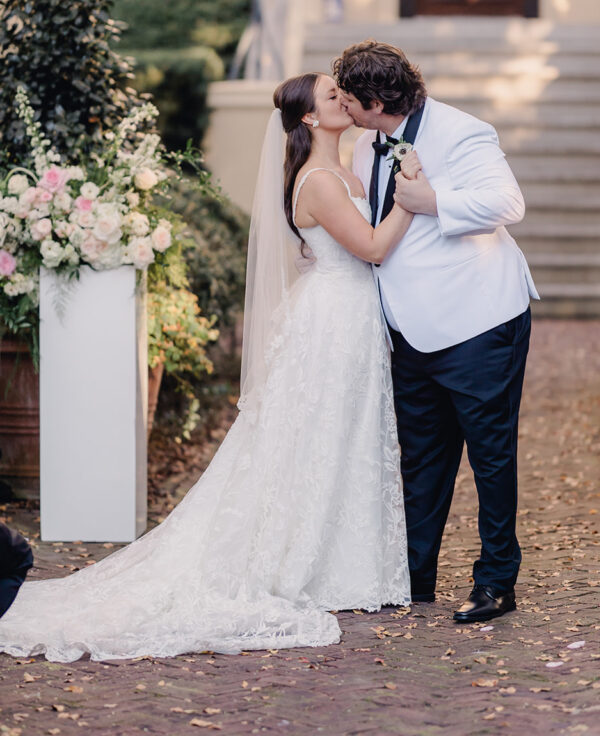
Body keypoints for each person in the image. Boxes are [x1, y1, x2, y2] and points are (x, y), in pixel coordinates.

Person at [0, 72, 418, 662]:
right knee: (318, 435)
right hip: (332, 320)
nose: (343, 100)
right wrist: (410, 199)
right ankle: (305, 564)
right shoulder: (320, 180)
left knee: (343, 435)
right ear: (307, 118)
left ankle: (344, 562)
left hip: (350, 315)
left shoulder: (349, 165)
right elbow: (373, 247)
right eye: (331, 96)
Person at [334, 39, 538, 623]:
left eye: (348, 99)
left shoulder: (463, 132)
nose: (343, 108)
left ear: (374, 100)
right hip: (405, 330)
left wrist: (433, 198)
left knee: (491, 458)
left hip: (478, 319)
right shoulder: (366, 139)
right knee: (420, 458)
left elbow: (507, 202)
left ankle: (497, 581)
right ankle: (412, 577)